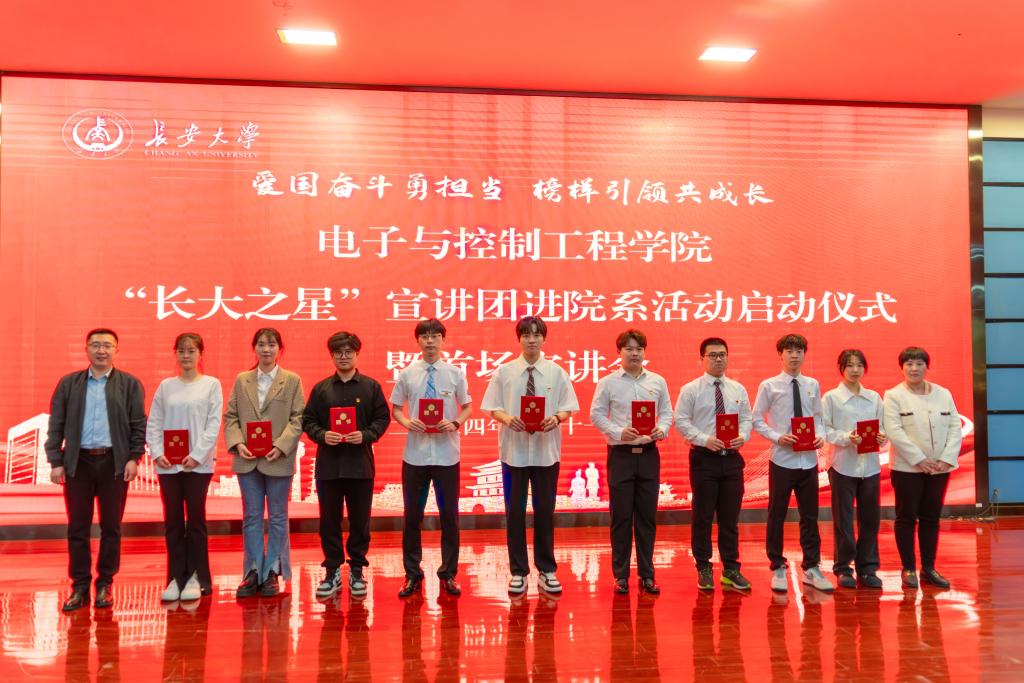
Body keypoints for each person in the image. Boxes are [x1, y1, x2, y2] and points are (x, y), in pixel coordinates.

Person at [45, 328, 147, 612]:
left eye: (107, 346)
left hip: (114, 463)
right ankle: (79, 586)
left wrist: (134, 457)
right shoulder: (69, 384)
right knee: (77, 527)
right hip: (78, 463)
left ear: (116, 350)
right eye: (96, 345)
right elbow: (56, 424)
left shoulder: (129, 384)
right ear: (86, 349)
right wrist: (56, 461)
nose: (102, 350)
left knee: (111, 527)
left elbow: (138, 424)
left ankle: (105, 584)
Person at [481, 316, 579, 595]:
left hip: (546, 452)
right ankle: (518, 572)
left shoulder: (556, 372)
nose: (531, 340)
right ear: (519, 339)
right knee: (514, 512)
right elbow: (492, 407)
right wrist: (507, 419)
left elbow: (569, 407)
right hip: (514, 453)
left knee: (545, 511)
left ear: (544, 338)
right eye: (526, 335)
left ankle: (547, 569)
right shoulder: (505, 371)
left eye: (536, 335)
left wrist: (556, 418)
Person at [304, 331, 391, 599]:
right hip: (329, 467)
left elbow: (382, 418)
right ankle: (331, 571)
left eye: (349, 352)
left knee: (360, 521)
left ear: (356, 354)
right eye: (338, 352)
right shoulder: (321, 389)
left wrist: (365, 435)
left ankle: (356, 570)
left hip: (360, 466)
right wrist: (322, 435)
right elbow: (308, 421)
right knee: (329, 522)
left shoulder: (371, 387)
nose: (344, 357)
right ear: (332, 356)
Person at [390, 319, 472, 598]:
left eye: (435, 336)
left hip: (447, 455)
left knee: (450, 516)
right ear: (418, 341)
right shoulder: (407, 374)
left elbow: (467, 406)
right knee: (412, 517)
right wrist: (407, 422)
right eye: (424, 336)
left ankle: (448, 574)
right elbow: (396, 409)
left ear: (443, 340)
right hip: (415, 455)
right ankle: (412, 574)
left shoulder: (455, 373)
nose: (429, 341)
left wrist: (456, 422)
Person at [224, 328, 305, 598]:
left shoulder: (291, 380)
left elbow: (298, 418)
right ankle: (252, 571)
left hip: (278, 459)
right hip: (247, 459)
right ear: (254, 348)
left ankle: (272, 571)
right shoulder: (242, 380)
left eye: (271, 344)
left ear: (280, 349)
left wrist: (281, 446)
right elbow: (231, 416)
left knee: (279, 517)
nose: (266, 349)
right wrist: (238, 443)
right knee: (251, 517)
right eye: (261, 344)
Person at [590, 329, 672, 594]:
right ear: (619, 352)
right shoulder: (608, 383)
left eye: (639, 349)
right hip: (621, 456)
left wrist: (662, 429)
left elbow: (666, 413)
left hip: (649, 454)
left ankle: (647, 575)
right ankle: (621, 575)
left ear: (644, 352)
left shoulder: (657, 381)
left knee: (647, 517)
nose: (635, 353)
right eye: (629, 349)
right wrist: (618, 432)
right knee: (621, 517)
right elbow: (596, 414)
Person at [752, 333, 833, 593]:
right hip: (782, 459)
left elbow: (818, 417)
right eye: (789, 351)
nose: (795, 355)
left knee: (810, 516)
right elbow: (756, 419)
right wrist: (777, 437)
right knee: (776, 514)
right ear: (781, 354)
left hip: (808, 461)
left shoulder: (812, 384)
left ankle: (811, 567)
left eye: (799, 351)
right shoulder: (769, 385)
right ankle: (777, 565)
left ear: (804, 354)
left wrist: (820, 436)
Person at [146, 333, 223, 601]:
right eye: (181, 351)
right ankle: (175, 578)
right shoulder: (166, 386)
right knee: (173, 522)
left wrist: (198, 455)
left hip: (197, 466)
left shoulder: (211, 385)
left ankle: (197, 577)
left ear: (201, 354)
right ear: (176, 354)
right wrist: (158, 453)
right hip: (168, 465)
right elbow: (155, 422)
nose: (186, 355)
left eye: (191, 350)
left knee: (196, 522)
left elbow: (213, 424)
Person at [674, 336, 753, 591]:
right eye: (713, 355)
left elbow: (747, 419)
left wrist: (743, 436)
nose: (718, 359)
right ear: (702, 359)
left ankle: (730, 569)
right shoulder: (691, 390)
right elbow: (681, 421)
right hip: (704, 459)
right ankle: (704, 567)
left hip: (732, 459)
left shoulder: (737, 389)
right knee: (703, 517)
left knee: (730, 519)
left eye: (722, 355)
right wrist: (705, 440)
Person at [883, 346, 962, 589]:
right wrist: (919, 459)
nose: (914, 368)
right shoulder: (893, 396)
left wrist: (947, 458)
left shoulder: (943, 393)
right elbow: (894, 431)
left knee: (931, 518)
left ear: (927, 366)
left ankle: (929, 568)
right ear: (902, 368)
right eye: (909, 364)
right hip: (907, 469)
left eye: (919, 364)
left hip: (939, 468)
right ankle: (908, 568)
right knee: (906, 517)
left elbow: (955, 427)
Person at [822, 349, 886, 589]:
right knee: (844, 520)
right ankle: (843, 568)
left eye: (859, 365)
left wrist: (881, 437)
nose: (855, 370)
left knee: (870, 519)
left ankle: (867, 568)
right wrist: (846, 437)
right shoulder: (831, 398)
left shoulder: (874, 397)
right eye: (849, 365)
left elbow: (884, 426)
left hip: (870, 466)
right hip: (842, 465)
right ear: (841, 368)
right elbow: (824, 429)